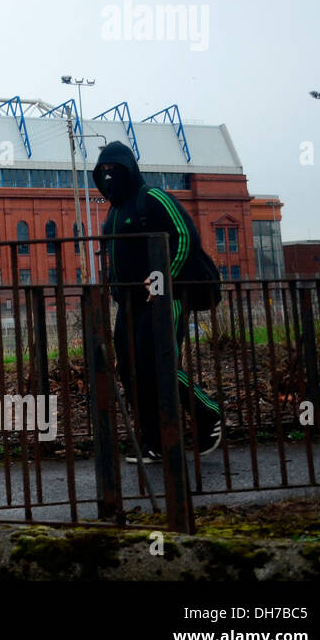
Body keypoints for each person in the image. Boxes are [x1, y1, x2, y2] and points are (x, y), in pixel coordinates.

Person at [93, 140, 222, 462]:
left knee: (159, 362)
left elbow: (184, 236)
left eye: (115, 170)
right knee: (131, 369)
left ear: (129, 169)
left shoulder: (152, 198)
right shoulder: (114, 210)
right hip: (130, 302)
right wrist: (114, 290)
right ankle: (156, 441)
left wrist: (164, 276)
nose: (109, 176)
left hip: (167, 298)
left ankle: (208, 413)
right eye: (103, 171)